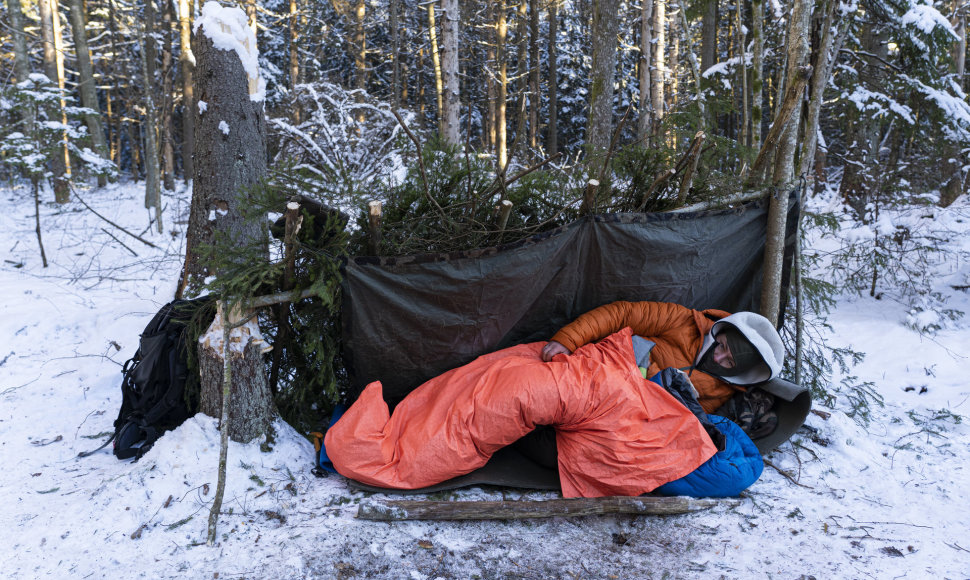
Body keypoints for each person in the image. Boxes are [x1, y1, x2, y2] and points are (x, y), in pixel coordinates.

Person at [537, 300, 785, 413]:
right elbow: (622, 314)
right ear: (721, 333)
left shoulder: (723, 389)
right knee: (534, 390)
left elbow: (685, 417)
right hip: (598, 371)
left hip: (621, 410)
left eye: (729, 363)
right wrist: (568, 339)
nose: (719, 359)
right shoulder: (683, 321)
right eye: (721, 347)